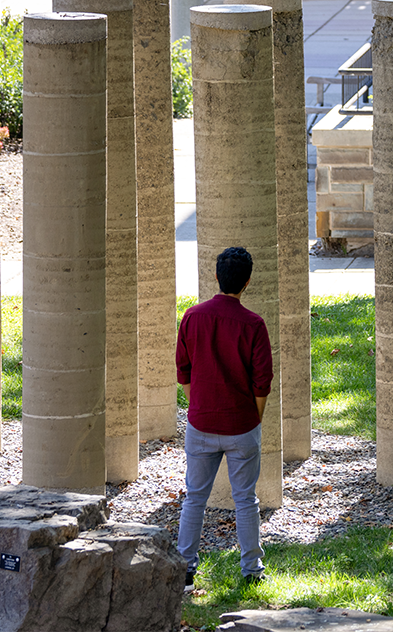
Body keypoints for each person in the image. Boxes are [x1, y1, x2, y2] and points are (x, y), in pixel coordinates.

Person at [175, 246, 272, 591]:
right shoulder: (254, 325)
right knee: (245, 498)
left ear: (216, 277)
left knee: (194, 498)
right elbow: (263, 382)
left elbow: (183, 371)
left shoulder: (192, 317)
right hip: (242, 425)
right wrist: (253, 418)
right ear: (247, 282)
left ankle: (184, 567)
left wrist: (199, 404)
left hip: (201, 423)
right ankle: (251, 569)